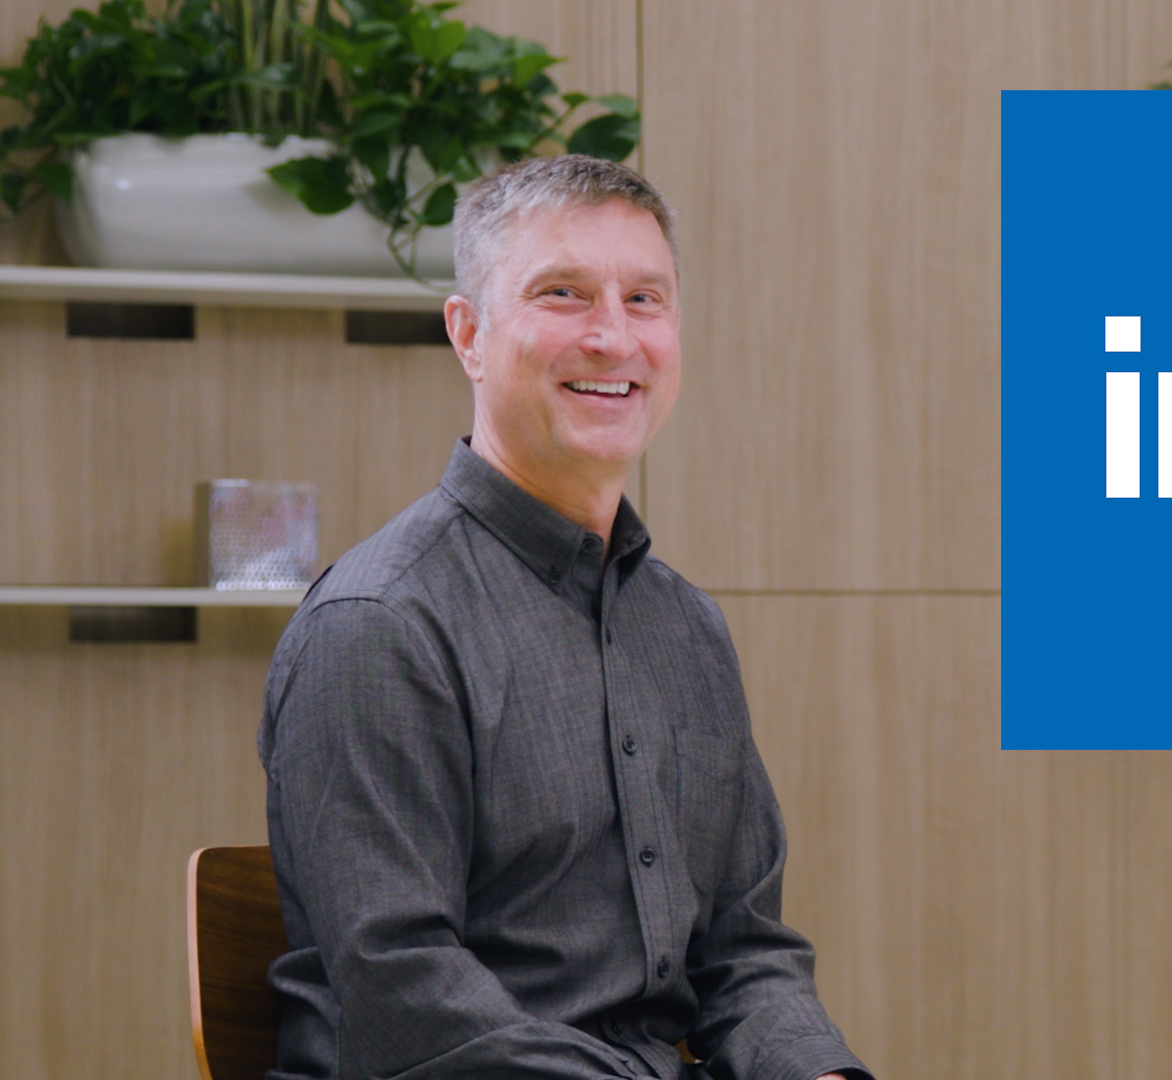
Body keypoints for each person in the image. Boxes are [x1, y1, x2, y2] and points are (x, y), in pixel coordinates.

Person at [256, 155, 869, 1080]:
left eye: (645, 299)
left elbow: (746, 952)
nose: (613, 337)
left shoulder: (687, 631)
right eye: (564, 294)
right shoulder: (377, 624)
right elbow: (403, 996)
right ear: (469, 333)